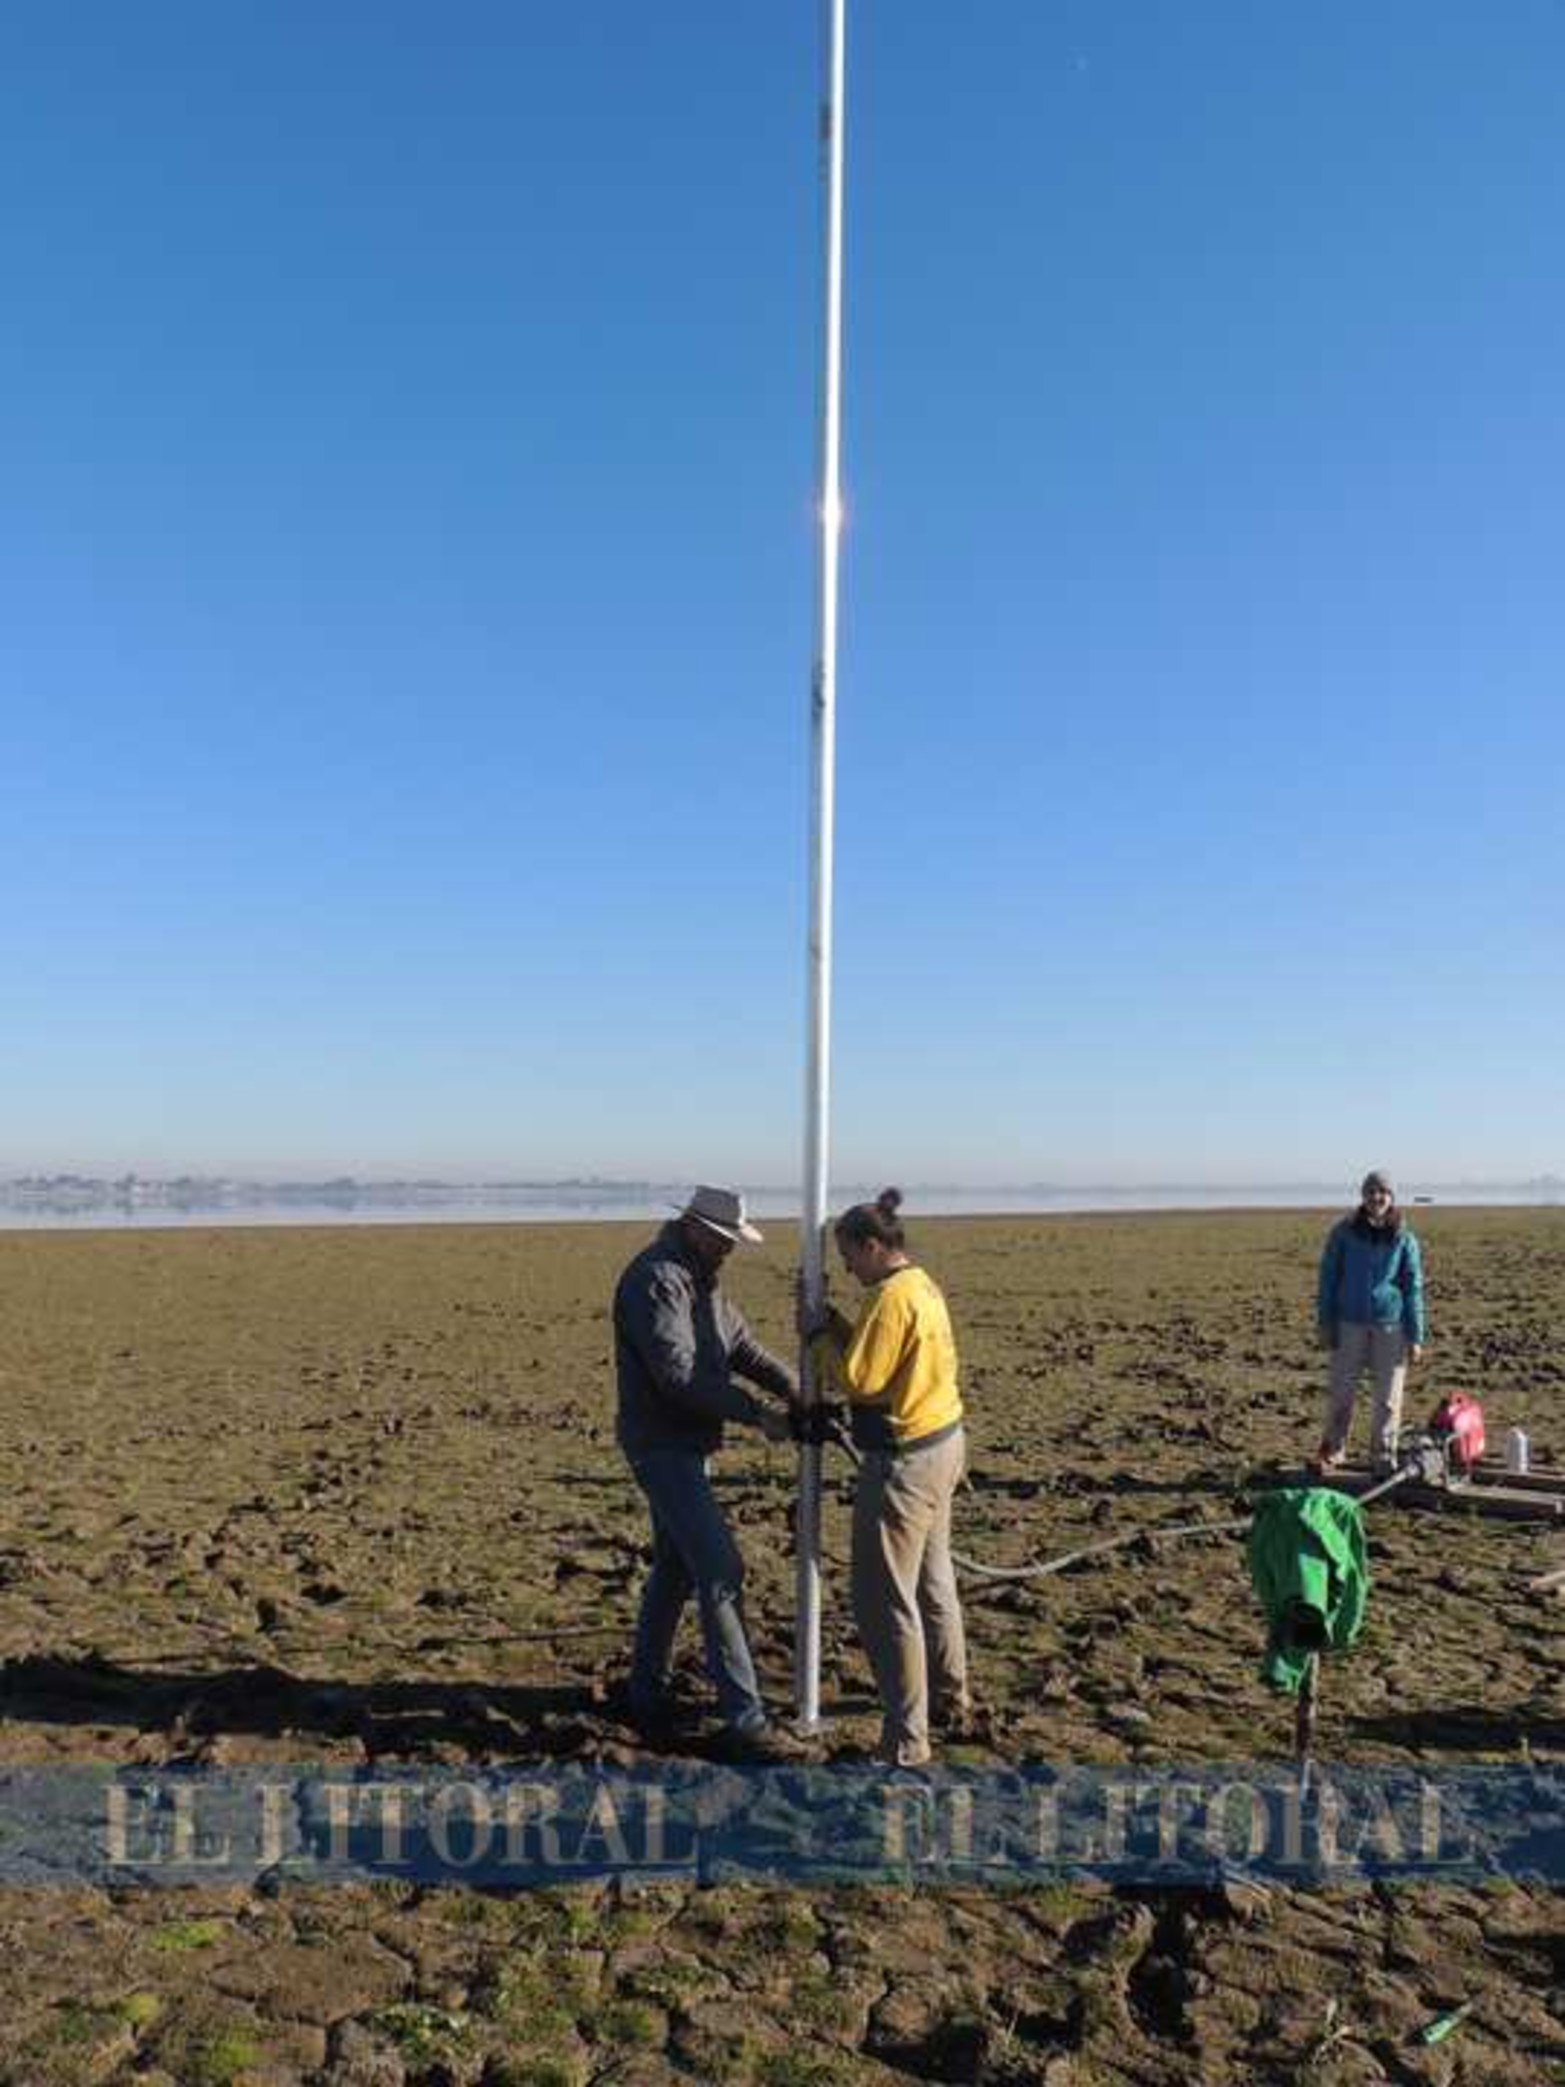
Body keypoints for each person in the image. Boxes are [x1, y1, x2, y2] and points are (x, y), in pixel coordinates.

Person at [613, 1185, 802, 1760]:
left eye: (732, 1240)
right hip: (662, 1447)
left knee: (675, 1567)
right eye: (722, 1239)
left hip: (689, 1445)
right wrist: (757, 1415)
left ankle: (645, 1691)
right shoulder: (658, 1280)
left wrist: (794, 1387)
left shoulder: (703, 1280)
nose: (729, 1249)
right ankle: (745, 1719)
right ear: (694, 1228)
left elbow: (741, 1347)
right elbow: (677, 1374)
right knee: (720, 1569)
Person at [802, 1187, 970, 1767]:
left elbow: (861, 1379)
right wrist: (838, 1325)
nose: (847, 1269)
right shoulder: (920, 1286)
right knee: (933, 1583)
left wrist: (817, 1337)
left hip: (905, 1464)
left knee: (884, 1600)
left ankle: (906, 1739)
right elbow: (882, 1355)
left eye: (848, 1256)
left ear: (872, 1246)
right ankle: (951, 1698)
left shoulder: (889, 1297)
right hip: (943, 1444)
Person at [1315, 1169, 1427, 1474]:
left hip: (1391, 1326)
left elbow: (1413, 1287)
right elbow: (1328, 1278)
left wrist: (1416, 1336)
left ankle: (1382, 1455)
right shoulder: (1344, 1232)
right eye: (1371, 1191)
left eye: (1383, 1192)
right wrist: (1325, 1322)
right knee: (1342, 1392)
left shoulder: (1403, 1236)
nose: (1377, 1197)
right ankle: (1333, 1450)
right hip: (1348, 1323)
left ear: (1391, 1197)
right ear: (1363, 1195)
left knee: (1388, 1398)